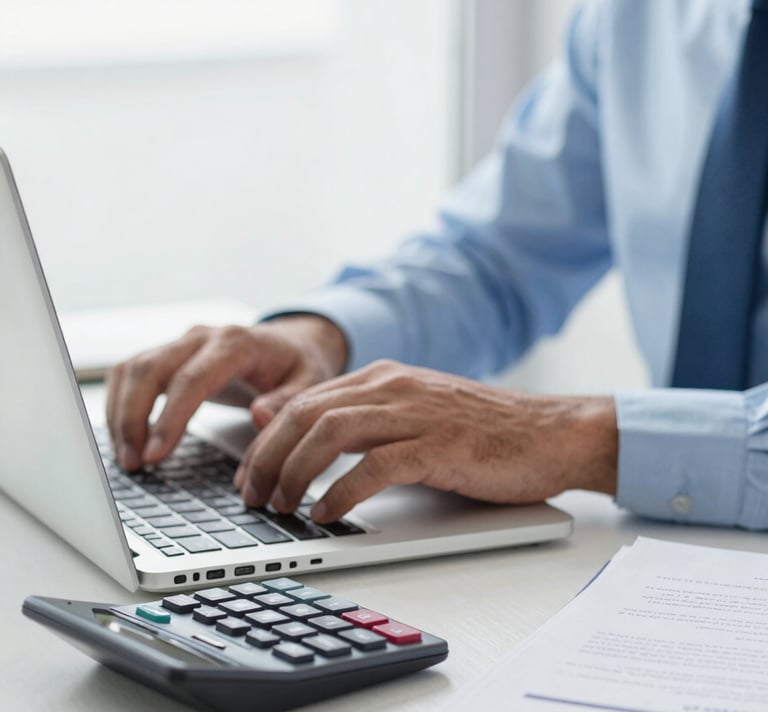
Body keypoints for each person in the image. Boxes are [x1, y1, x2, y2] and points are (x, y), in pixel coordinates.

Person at [106, 0, 768, 531]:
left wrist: (580, 440)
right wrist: (321, 337)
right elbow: (497, 259)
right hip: (666, 570)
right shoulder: (641, 17)